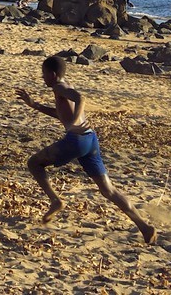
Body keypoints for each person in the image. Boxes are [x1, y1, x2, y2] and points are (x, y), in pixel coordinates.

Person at [16, 55, 156, 244]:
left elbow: (81, 99)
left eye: (44, 74)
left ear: (53, 74)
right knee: (109, 190)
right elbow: (61, 114)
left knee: (33, 163)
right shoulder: (65, 86)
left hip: (76, 140)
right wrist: (34, 105)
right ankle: (144, 227)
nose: (43, 78)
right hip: (90, 139)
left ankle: (55, 201)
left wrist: (72, 123)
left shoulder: (59, 87)